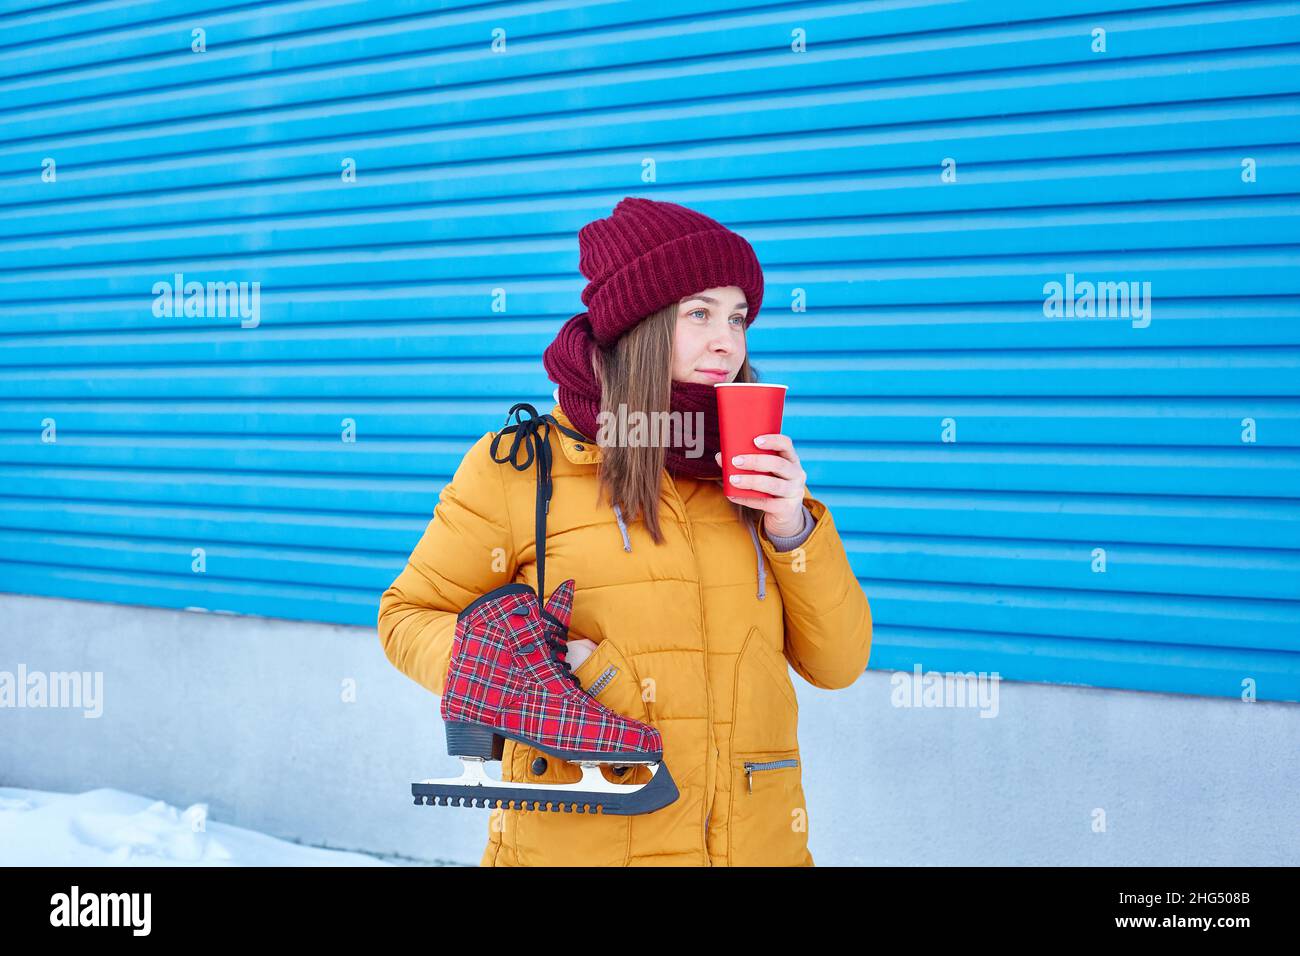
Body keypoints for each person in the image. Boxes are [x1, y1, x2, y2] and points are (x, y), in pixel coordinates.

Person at [378, 197, 872, 866]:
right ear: (637, 324)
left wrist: (791, 528)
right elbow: (408, 613)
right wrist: (501, 668)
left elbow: (839, 665)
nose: (726, 341)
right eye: (698, 313)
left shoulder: (753, 471)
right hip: (584, 840)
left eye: (737, 317)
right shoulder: (523, 468)